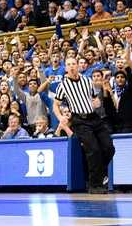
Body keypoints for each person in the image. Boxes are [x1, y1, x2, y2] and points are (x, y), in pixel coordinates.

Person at [53, 57, 114, 194]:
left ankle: (101, 173)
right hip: (79, 120)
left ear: (78, 66)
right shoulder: (63, 85)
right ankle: (94, 185)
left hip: (94, 117)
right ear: (66, 68)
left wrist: (97, 102)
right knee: (93, 150)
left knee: (109, 147)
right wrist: (60, 117)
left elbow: (94, 99)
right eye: (69, 65)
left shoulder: (87, 80)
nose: (72, 67)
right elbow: (55, 105)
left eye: (74, 64)